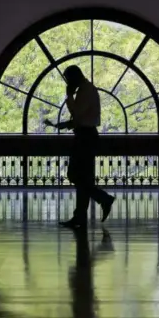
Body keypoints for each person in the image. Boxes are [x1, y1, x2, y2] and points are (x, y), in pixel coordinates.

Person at [44, 65, 115, 228]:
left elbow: (77, 112)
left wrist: (69, 95)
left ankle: (102, 199)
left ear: (74, 78)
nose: (68, 83)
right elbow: (83, 116)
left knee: (76, 175)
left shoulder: (85, 91)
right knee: (83, 178)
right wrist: (67, 124)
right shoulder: (88, 89)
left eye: (68, 79)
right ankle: (81, 216)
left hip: (84, 137)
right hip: (87, 135)